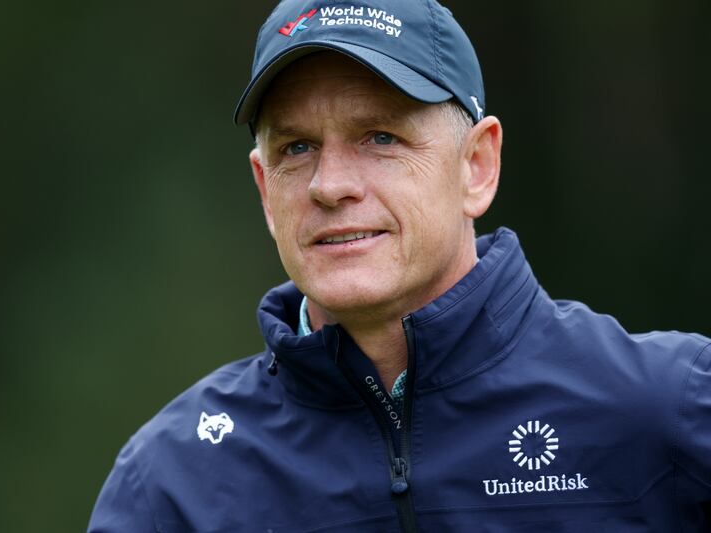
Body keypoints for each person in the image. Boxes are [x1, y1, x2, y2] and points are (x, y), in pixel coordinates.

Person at [88, 0, 711, 531]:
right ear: (265, 191)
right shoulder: (172, 482)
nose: (330, 185)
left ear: (477, 167)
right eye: (297, 148)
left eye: (381, 137)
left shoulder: (671, 410)